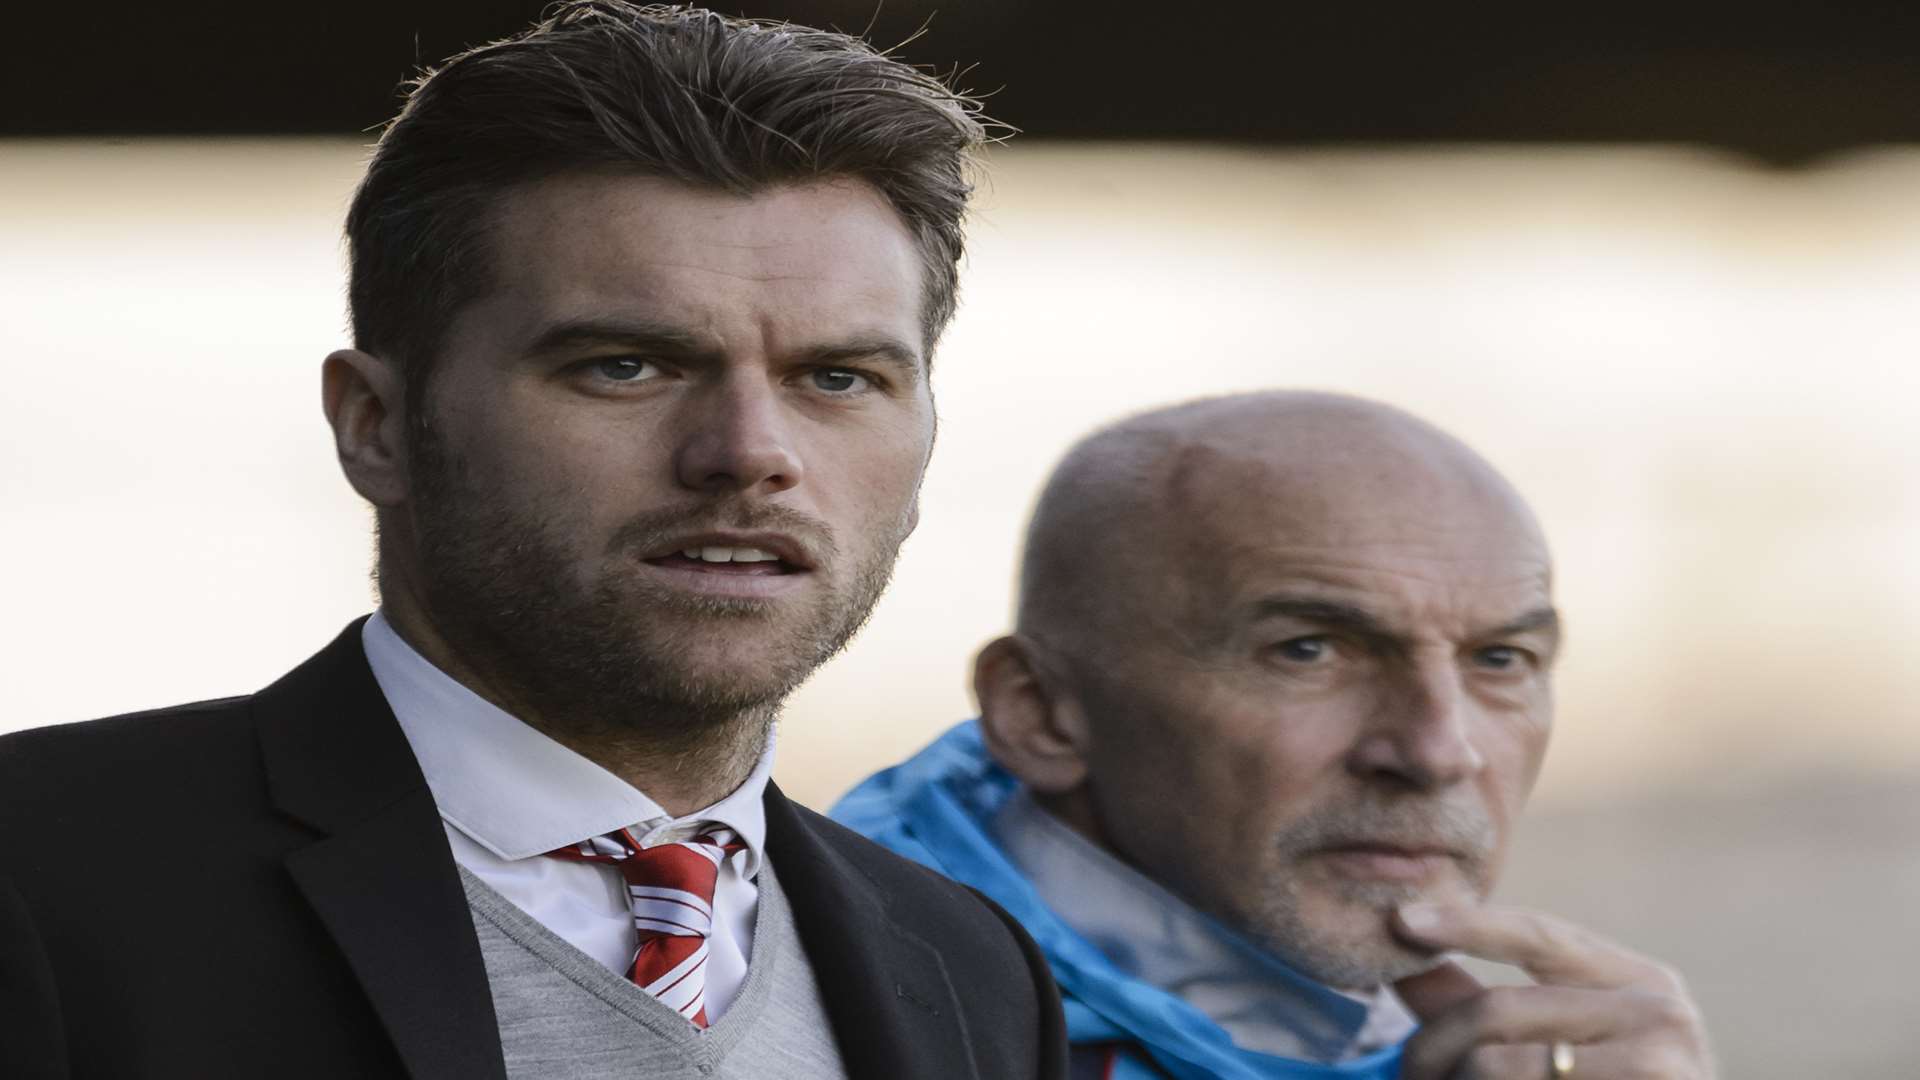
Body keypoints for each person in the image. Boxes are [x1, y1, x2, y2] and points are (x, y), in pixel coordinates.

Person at [0, 5, 1065, 1078]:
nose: (749, 453)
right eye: (624, 365)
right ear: (376, 426)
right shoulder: (41, 875)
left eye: (838, 378)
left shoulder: (973, 972)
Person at [834, 392, 1715, 1080]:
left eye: (1500, 659)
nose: (1439, 751)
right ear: (1041, 713)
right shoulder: (808, 1014)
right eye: (1309, 650)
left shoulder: (1506, 1049)